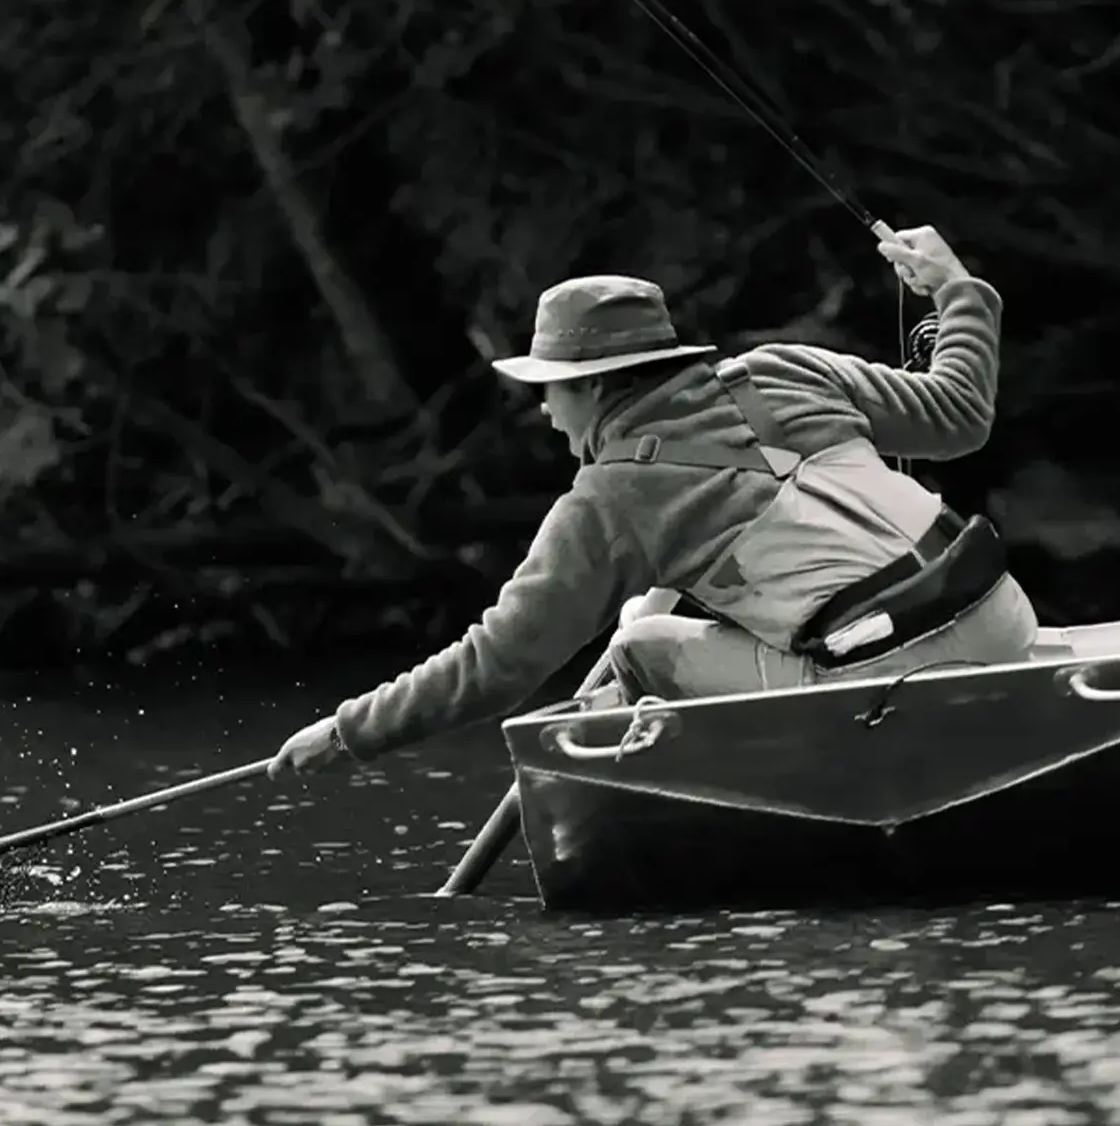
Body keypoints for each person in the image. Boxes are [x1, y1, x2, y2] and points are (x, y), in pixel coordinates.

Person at [270, 223, 1037, 779]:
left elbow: (498, 664)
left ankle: (671, 799)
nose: (542, 411)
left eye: (551, 390)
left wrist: (347, 732)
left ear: (598, 387)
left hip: (895, 677)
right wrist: (956, 289)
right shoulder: (786, 370)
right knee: (651, 612)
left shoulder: (610, 500)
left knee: (638, 645)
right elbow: (960, 414)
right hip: (1006, 619)